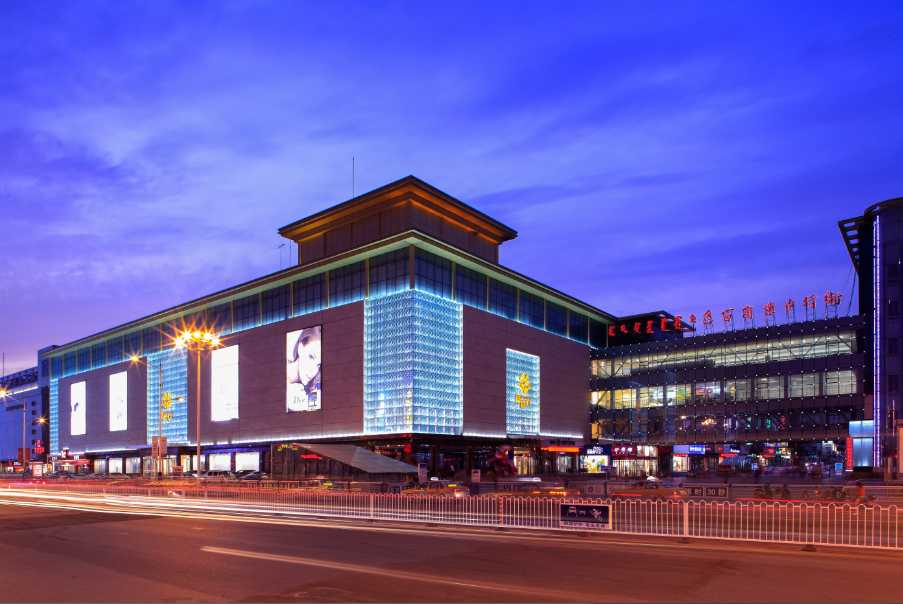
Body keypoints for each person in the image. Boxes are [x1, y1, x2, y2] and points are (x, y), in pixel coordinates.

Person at [287, 327, 322, 412]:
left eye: (318, 365)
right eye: (311, 357)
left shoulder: (312, 391)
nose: (313, 371)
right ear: (300, 348)